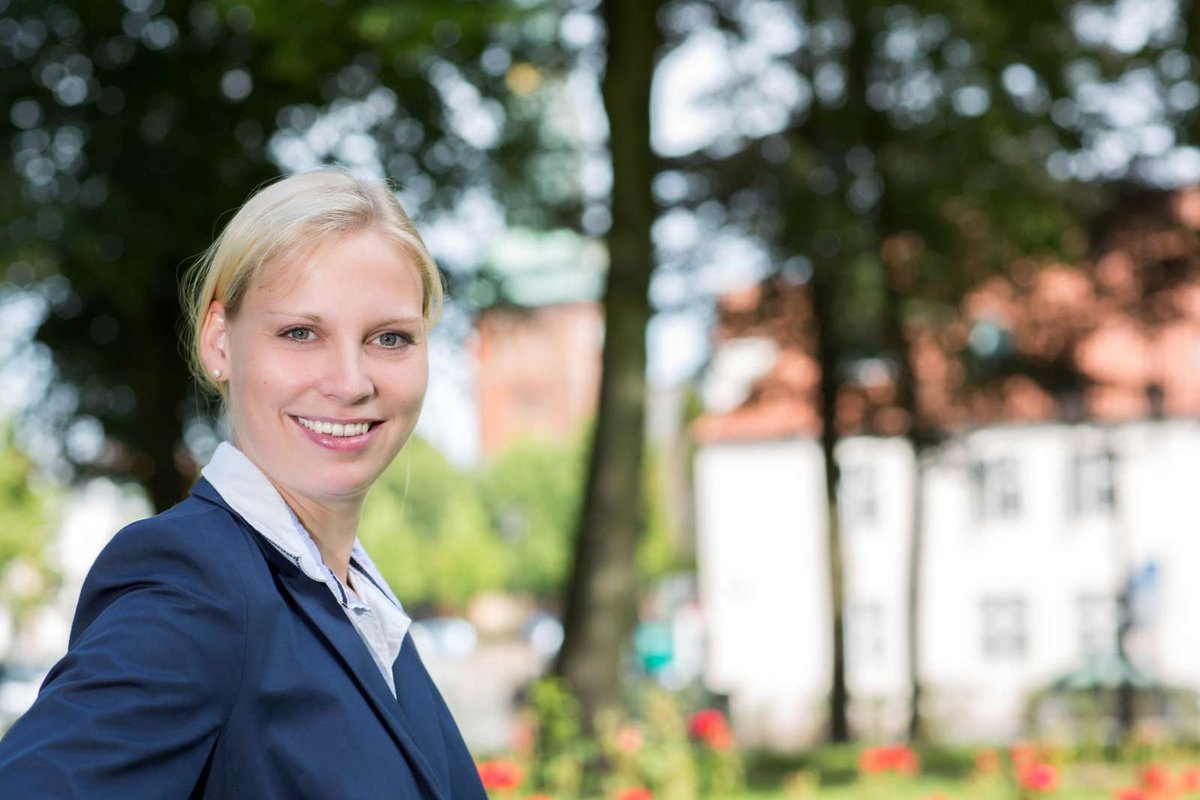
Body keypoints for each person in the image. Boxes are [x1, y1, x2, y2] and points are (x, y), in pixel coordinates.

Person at [0, 168, 488, 799]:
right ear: (218, 342)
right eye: (300, 333)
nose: (350, 381)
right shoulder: (196, 581)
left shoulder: (360, 606)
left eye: (390, 338)